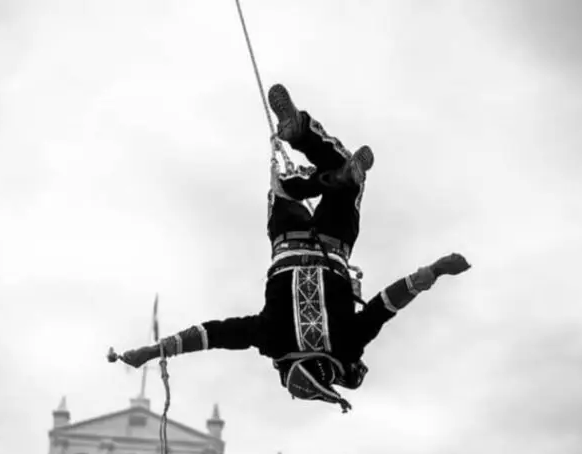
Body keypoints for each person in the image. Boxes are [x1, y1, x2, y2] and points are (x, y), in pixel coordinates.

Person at [108, 84, 471, 412]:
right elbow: (213, 334)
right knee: (299, 183)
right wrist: (154, 352)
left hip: (332, 242)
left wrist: (433, 272)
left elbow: (385, 305)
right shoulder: (273, 340)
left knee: (343, 178)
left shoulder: (345, 346)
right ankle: (320, 165)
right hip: (289, 237)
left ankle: (316, 156)